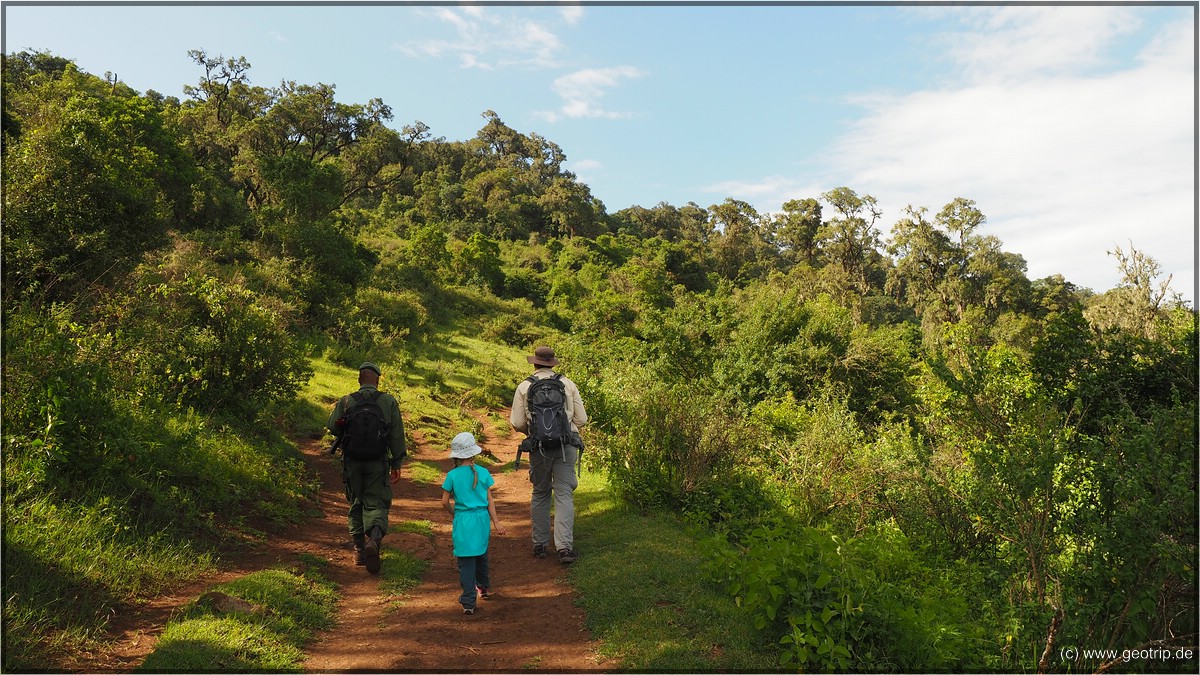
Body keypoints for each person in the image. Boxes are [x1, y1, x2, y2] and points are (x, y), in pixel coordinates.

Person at [510, 346, 588, 564]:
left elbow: (517, 422)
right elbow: (582, 419)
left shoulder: (525, 386)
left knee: (541, 492)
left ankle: (540, 545)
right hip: (565, 445)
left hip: (538, 448)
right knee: (563, 494)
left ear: (534, 363)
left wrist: (534, 432)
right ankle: (564, 548)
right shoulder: (567, 384)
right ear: (553, 363)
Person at [327, 362, 406, 574]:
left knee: (356, 501)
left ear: (359, 380)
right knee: (377, 501)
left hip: (352, 461)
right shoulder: (388, 401)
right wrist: (396, 463)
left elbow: (333, 426)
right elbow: (397, 435)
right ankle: (374, 540)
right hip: (377, 462)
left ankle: (359, 551)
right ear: (377, 380)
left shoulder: (346, 401)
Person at [441, 431, 506, 615]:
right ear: (474, 454)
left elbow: (444, 502)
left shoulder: (452, 475)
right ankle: (483, 587)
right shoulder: (483, 472)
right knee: (481, 553)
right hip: (482, 519)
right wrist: (496, 522)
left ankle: (469, 601)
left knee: (465, 560)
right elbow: (490, 500)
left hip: (463, 520)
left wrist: (454, 514)